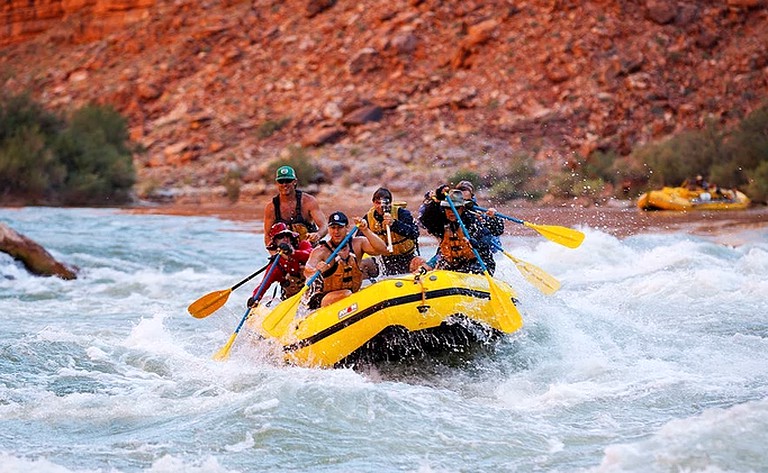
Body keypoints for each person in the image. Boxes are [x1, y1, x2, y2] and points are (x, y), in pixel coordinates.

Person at [303, 211, 388, 309]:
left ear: (347, 228)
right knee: (347, 294)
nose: (336, 232)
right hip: (324, 298)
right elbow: (307, 269)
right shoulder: (321, 251)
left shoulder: (357, 243)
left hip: (350, 295)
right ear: (329, 229)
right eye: (333, 228)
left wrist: (365, 230)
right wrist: (316, 270)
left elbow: (383, 249)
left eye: (340, 227)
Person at [418, 188, 496, 275]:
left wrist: (475, 243)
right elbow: (426, 219)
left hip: (476, 263)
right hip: (451, 264)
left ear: (462, 208)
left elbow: (487, 239)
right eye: (448, 208)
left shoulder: (472, 221)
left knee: (474, 270)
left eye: (456, 208)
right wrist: (437, 197)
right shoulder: (440, 224)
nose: (451, 212)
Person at [359, 187, 424, 277]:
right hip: (382, 260)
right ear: (373, 203)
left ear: (390, 203)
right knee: (362, 265)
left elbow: (415, 233)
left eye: (385, 203)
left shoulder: (402, 214)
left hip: (407, 258)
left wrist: (394, 224)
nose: (381, 207)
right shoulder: (368, 219)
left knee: (421, 263)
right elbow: (359, 242)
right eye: (378, 203)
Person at [247, 222, 312, 307]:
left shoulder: (303, 245)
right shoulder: (276, 266)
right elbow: (263, 286)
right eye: (281, 237)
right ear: (275, 242)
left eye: (287, 235)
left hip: (313, 292)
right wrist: (255, 298)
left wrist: (292, 253)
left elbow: (310, 254)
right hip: (292, 299)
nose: (285, 239)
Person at [262, 165, 326, 246]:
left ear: (295, 181)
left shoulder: (309, 201)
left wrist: (318, 235)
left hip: (309, 250)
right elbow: (267, 236)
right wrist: (274, 254)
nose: (284, 184)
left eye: (288, 181)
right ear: (277, 183)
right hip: (285, 253)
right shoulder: (271, 207)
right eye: (281, 181)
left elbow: (324, 226)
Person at [454, 180, 504, 253]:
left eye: (466, 200)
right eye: (461, 200)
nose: (463, 204)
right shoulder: (449, 211)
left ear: (471, 197)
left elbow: (498, 230)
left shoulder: (477, 214)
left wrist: (494, 218)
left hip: (477, 251)